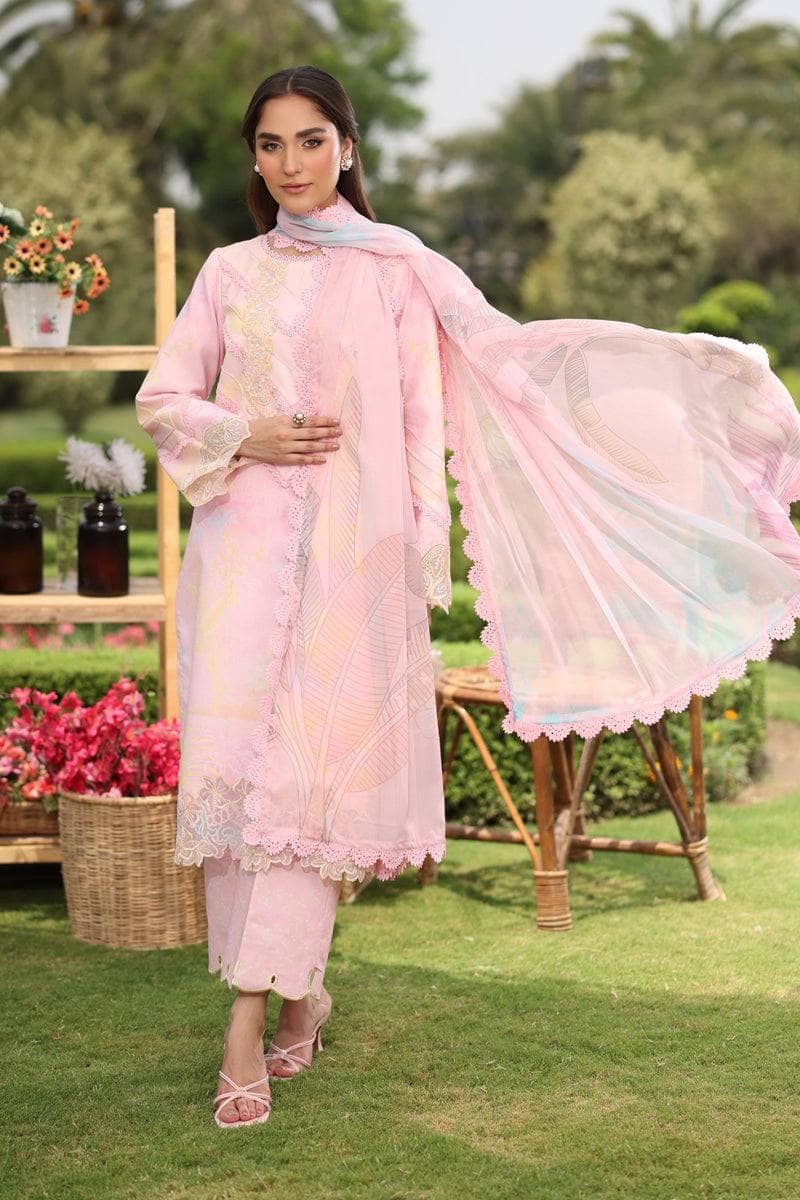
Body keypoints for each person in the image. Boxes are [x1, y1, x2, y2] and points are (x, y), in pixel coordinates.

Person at [136, 65, 800, 1129]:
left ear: (346, 147)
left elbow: (494, 364)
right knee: (242, 804)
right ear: (254, 160)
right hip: (239, 567)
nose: (291, 164)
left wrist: (676, 375)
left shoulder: (398, 269)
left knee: (304, 800)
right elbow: (163, 399)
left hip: (356, 570)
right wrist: (243, 434)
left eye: (311, 141)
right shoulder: (225, 274)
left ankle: (244, 1030)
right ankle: (300, 993)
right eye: (271, 146)